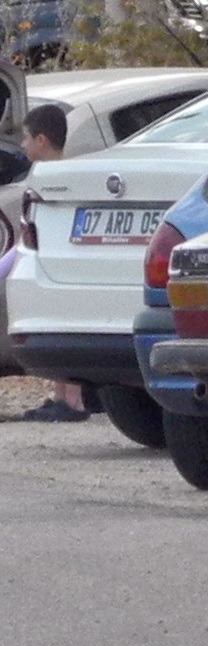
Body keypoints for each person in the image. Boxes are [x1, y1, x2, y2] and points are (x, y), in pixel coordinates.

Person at [12, 104, 90, 423]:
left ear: (42, 140)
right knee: (54, 322)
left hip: (59, 261)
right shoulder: (50, 173)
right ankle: (61, 395)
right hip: (50, 260)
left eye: (26, 138)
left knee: (63, 322)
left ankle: (73, 400)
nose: (21, 145)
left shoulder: (53, 177)